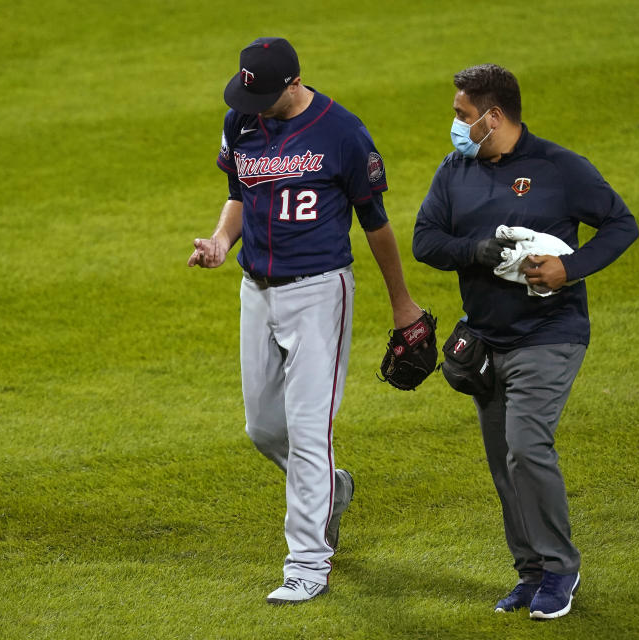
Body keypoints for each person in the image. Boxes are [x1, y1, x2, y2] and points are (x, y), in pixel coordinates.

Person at [188, 37, 424, 605]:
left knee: (310, 429)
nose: (254, 103)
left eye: (265, 94)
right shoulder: (240, 121)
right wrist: (222, 240)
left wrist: (402, 304)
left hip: (319, 293)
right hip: (256, 290)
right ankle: (331, 491)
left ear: (295, 83)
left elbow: (376, 224)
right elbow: (239, 193)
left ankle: (308, 563)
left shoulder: (342, 133)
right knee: (265, 429)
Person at [413, 64, 639, 620]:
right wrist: (475, 251)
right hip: (488, 339)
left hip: (549, 333)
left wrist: (571, 268)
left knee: (525, 446)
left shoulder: (560, 169)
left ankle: (561, 568)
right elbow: (425, 240)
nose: (457, 126)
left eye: (464, 116)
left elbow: (620, 223)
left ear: (493, 117)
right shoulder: (455, 168)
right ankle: (531, 572)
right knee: (502, 460)